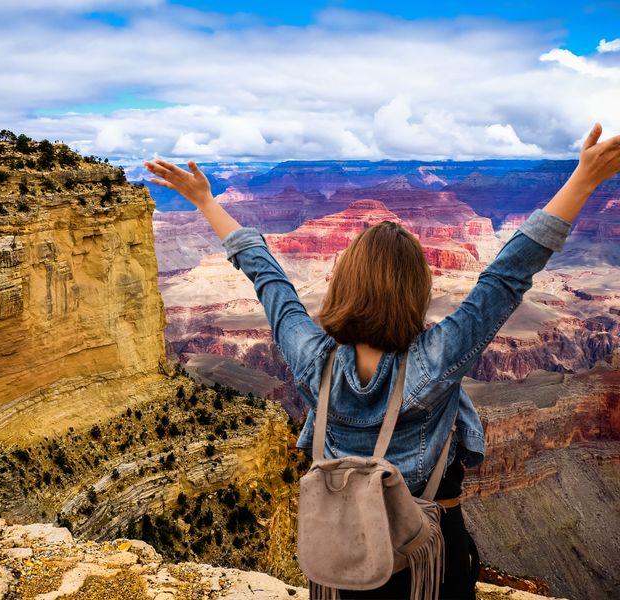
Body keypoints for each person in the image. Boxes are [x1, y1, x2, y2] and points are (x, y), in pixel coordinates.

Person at [143, 122, 620, 599]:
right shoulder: (435, 360)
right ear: (417, 292)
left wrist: (206, 202)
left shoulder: (312, 358)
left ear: (343, 283)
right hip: (427, 558)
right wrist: (582, 180)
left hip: (341, 556)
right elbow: (507, 275)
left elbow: (268, 278)